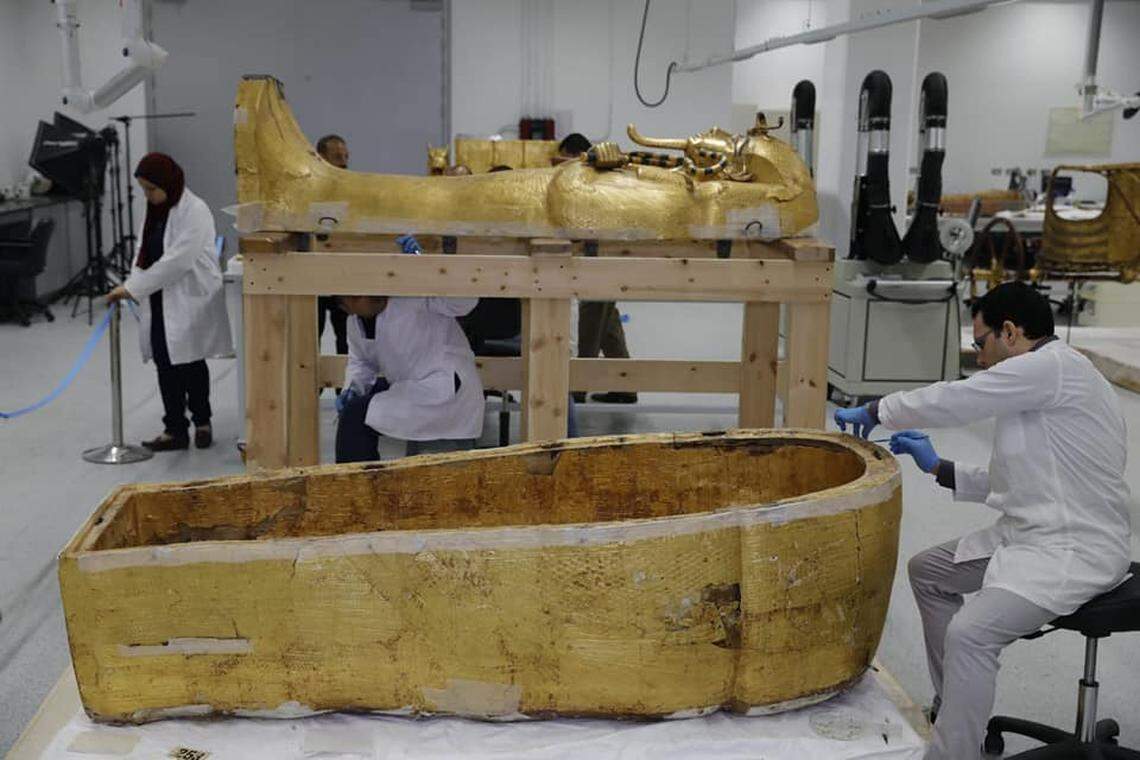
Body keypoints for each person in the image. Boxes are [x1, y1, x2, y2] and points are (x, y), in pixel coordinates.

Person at [835, 282, 1132, 760]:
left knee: (971, 633)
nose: (981, 358)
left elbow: (957, 399)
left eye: (981, 343)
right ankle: (954, 705)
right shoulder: (1045, 383)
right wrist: (940, 467)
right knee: (929, 572)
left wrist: (878, 409)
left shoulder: (1050, 368)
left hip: (1076, 549)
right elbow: (1026, 478)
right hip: (1036, 534)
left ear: (1010, 332)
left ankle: (955, 752)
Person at [106, 153, 233, 451]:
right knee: (165, 363)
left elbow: (178, 261)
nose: (148, 195)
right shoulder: (153, 213)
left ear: (167, 183)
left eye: (151, 189)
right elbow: (142, 254)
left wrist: (133, 287)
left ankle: (203, 422)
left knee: (190, 362)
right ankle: (174, 429)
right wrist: (132, 283)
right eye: (144, 190)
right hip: (160, 299)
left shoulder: (195, 210)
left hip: (190, 298)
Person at [334, 260, 485, 462]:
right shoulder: (355, 323)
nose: (365, 296)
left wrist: (424, 264)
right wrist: (353, 389)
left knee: (355, 415)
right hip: (410, 386)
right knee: (353, 411)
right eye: (353, 297)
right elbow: (362, 362)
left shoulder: (415, 297)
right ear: (346, 306)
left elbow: (465, 302)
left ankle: (359, 489)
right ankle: (362, 484)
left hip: (444, 387)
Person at [553, 133, 637, 404]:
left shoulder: (588, 175)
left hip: (599, 257)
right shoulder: (602, 172)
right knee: (608, 321)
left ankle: (578, 386)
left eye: (564, 156)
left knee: (592, 318)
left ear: (574, 152)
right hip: (609, 256)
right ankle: (625, 386)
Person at [315, 134, 350, 361]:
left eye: (346, 156)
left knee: (346, 339)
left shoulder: (352, 191)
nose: (344, 162)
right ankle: (309, 392)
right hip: (314, 277)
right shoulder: (308, 190)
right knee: (310, 339)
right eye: (338, 156)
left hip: (342, 276)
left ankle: (346, 391)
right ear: (321, 158)